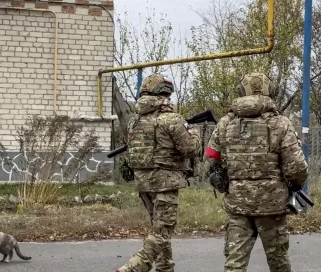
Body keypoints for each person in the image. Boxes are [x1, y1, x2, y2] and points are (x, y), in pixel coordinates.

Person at [203, 72, 308, 272]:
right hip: (272, 206)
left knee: (235, 263)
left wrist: (224, 183)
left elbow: (210, 160)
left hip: (237, 204)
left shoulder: (225, 123)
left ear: (241, 92)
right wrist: (295, 185)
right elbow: (297, 166)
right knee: (279, 263)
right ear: (270, 91)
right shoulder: (281, 123)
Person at [116, 73, 201, 272]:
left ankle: (165, 268)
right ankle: (134, 267)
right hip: (166, 182)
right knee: (163, 231)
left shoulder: (134, 121)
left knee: (159, 229)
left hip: (144, 183)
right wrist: (195, 133)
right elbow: (190, 149)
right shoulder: (171, 119)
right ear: (165, 93)